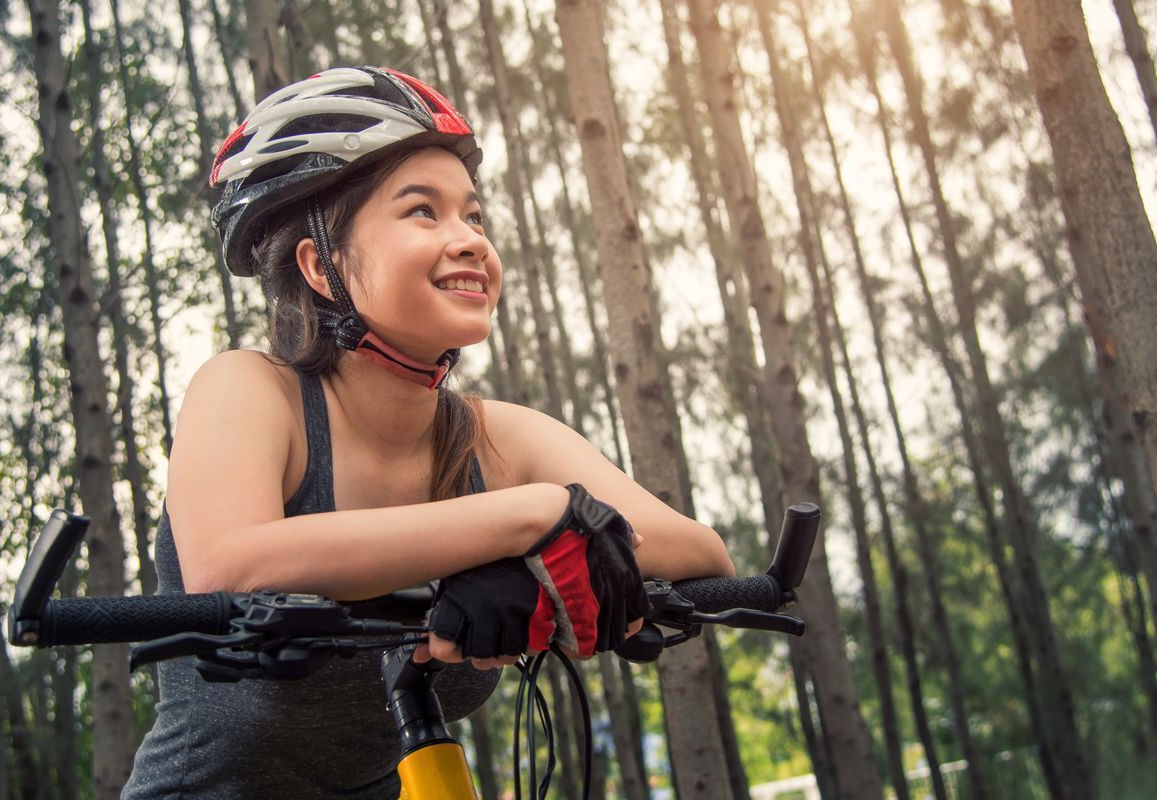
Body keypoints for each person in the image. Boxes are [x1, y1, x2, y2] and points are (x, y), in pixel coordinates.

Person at [123, 66, 734, 798]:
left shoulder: (494, 438)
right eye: (423, 212)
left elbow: (702, 556)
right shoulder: (253, 391)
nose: (469, 240)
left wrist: (512, 567)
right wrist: (531, 520)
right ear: (322, 266)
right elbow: (230, 564)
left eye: (474, 217)